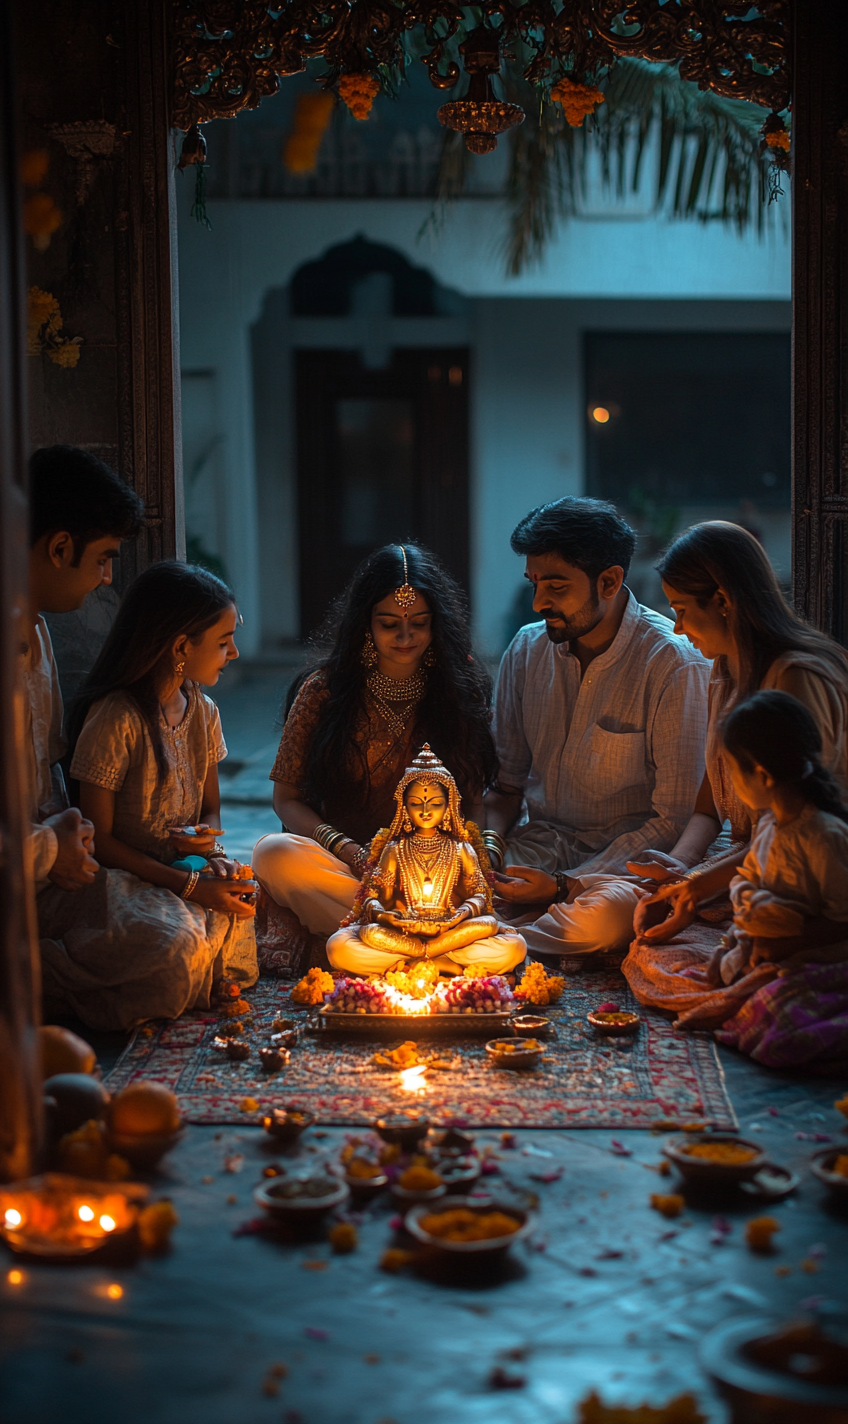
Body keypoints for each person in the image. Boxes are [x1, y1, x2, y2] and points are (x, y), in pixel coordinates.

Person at [622, 521, 848, 993]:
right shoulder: (724, 670)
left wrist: (697, 887)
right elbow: (711, 800)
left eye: (682, 609)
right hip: (749, 869)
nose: (678, 627)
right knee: (636, 926)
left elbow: (794, 825)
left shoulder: (796, 677)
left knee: (700, 971)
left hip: (809, 882)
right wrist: (680, 869)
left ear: (724, 601)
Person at [484, 497, 710, 957]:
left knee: (600, 923)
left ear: (609, 581)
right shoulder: (527, 651)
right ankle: (488, 940)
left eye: (556, 586)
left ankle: (483, 945)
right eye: (533, 584)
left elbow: (673, 819)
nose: (538, 602)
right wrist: (486, 856)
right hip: (538, 847)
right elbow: (504, 787)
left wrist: (564, 886)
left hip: (623, 866)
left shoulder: (673, 663)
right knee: (442, 889)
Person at [252, 544, 499, 965]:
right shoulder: (324, 692)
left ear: (436, 626)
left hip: (436, 878)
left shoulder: (460, 690)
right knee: (273, 853)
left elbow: (475, 800)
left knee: (504, 889)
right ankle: (434, 952)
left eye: (419, 624)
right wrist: (352, 853)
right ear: (365, 624)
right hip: (352, 871)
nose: (405, 637)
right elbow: (286, 799)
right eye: (389, 624)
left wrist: (478, 863)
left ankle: (385, 949)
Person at [45, 561, 258, 1030]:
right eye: (223, 642)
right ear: (181, 646)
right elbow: (98, 840)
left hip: (181, 870)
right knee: (174, 953)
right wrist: (188, 886)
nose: (235, 653)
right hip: (120, 878)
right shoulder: (117, 717)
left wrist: (212, 852)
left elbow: (210, 808)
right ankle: (42, 969)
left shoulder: (203, 711)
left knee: (243, 898)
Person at [626, 692, 848, 1068]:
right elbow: (752, 887)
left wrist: (786, 944)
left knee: (779, 1018)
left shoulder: (824, 836)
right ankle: (743, 994)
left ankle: (753, 1003)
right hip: (761, 948)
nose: (725, 780)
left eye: (730, 767)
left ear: (761, 774)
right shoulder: (769, 823)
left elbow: (842, 921)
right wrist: (732, 940)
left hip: (814, 958)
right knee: (650, 960)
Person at [327, 745, 525, 975]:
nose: (425, 810)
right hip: (405, 932)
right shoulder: (395, 848)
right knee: (340, 946)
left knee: (504, 939)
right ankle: (443, 964)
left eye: (435, 803)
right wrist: (387, 916)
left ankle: (414, 963)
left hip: (451, 931)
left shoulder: (461, 847)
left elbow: (480, 894)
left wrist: (459, 916)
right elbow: (373, 898)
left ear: (449, 805)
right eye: (415, 803)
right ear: (404, 806)